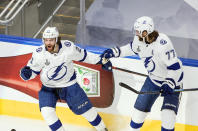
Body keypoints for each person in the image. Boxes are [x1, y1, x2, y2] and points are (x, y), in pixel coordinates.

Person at [101, 16, 183, 131]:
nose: (136, 33)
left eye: (139, 31)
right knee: (138, 113)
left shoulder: (163, 44)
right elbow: (131, 48)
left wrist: (169, 83)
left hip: (173, 82)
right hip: (153, 80)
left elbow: (176, 68)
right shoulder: (138, 40)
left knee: (168, 117)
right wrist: (114, 52)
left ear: (146, 32)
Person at [20, 26, 110, 131]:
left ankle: (103, 129)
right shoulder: (39, 53)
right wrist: (26, 74)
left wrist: (101, 60)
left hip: (69, 86)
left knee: (87, 111)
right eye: (46, 40)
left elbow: (84, 56)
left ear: (57, 39)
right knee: (47, 112)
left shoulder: (68, 48)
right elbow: (32, 71)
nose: (48, 43)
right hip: (48, 88)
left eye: (51, 40)